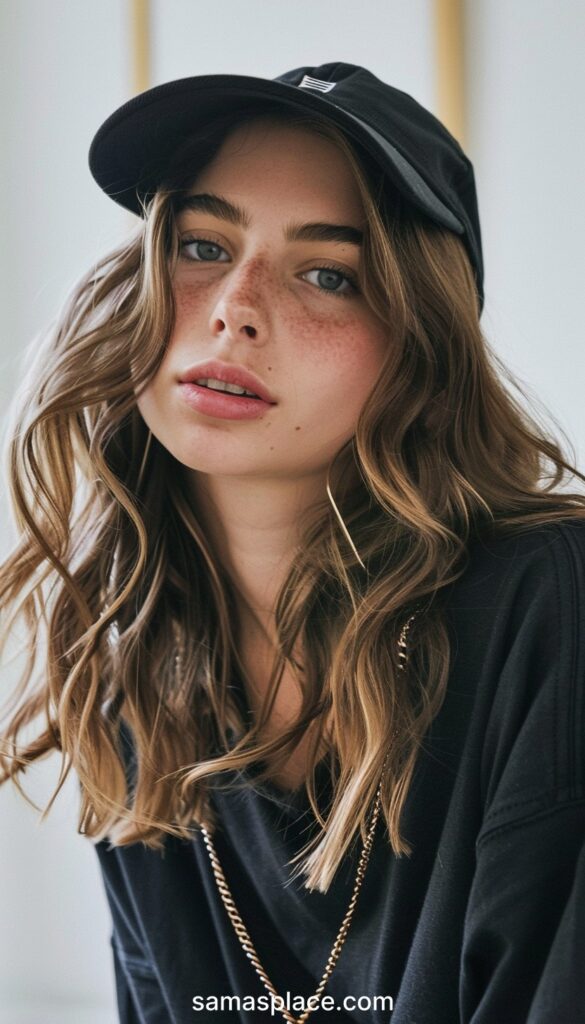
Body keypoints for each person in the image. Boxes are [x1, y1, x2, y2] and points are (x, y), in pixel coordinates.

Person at [0, 60, 584, 1024]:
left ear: (417, 352)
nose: (235, 304)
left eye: (326, 273)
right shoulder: (135, 674)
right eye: (200, 244)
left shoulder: (551, 609)